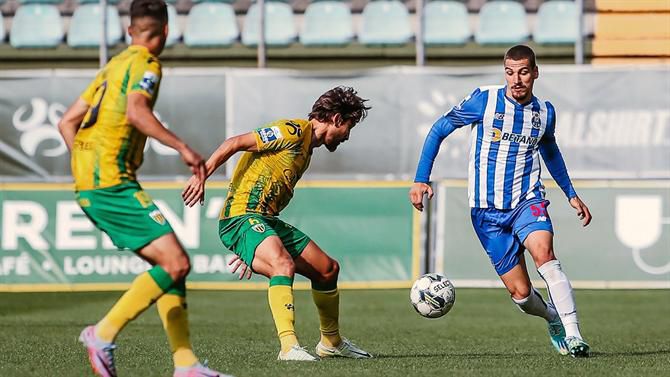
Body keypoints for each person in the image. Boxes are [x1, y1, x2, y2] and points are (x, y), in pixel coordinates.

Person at [57, 1, 230, 376]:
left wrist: (86, 166)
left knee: (171, 267)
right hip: (112, 186)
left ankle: (186, 365)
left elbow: (66, 122)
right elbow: (137, 112)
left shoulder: (113, 66)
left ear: (129, 30)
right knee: (178, 263)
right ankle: (101, 334)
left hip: (96, 183)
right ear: (166, 31)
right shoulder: (148, 65)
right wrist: (183, 147)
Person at [409, 45, 592, 358]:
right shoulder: (485, 99)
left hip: (527, 199)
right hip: (486, 211)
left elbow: (550, 152)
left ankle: (575, 333)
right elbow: (439, 130)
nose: (516, 79)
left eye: (523, 72)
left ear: (535, 73)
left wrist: (570, 193)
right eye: (510, 72)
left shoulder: (544, 112)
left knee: (544, 253)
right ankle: (552, 316)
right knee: (521, 294)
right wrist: (421, 178)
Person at [181, 86, 373, 361]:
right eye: (349, 127)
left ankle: (331, 342)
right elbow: (234, 142)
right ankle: (289, 347)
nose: (347, 136)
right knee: (282, 264)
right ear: (337, 119)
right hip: (241, 216)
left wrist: (255, 247)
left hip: (265, 220)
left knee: (328, 269)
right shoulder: (292, 131)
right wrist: (201, 177)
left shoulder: (307, 148)